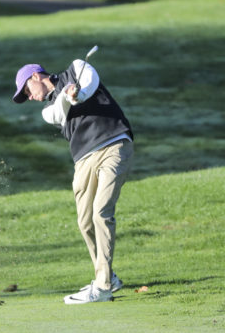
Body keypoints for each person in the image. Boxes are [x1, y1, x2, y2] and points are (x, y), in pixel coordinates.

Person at [12, 58, 134, 304]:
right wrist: (68, 97)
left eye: (27, 90)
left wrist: (80, 92)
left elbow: (90, 80)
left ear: (35, 76)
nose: (30, 97)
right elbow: (59, 111)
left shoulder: (77, 68)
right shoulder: (48, 112)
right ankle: (108, 275)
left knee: (102, 213)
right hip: (83, 160)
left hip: (114, 144)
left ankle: (102, 286)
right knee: (85, 222)